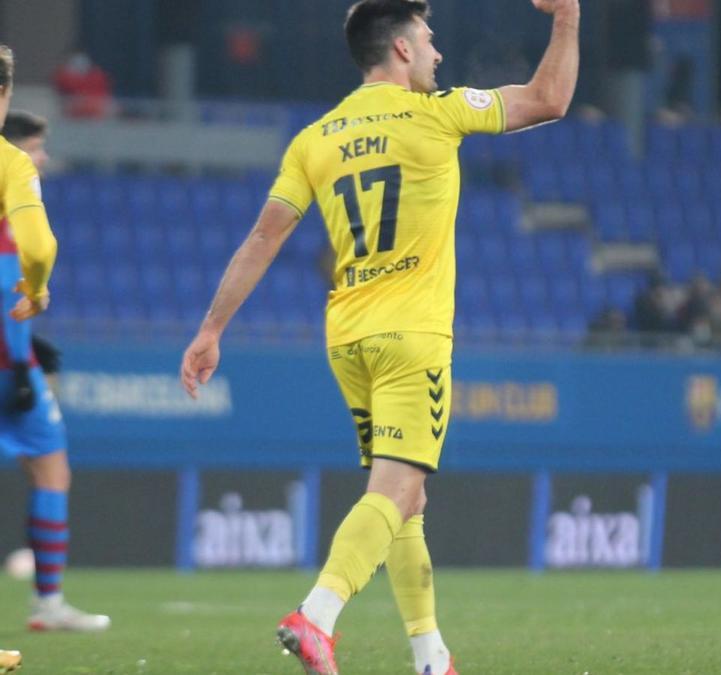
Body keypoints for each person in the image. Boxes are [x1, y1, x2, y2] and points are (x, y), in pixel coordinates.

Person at [178, 1, 579, 673]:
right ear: (399, 50)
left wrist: (212, 328)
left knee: (408, 500)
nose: (438, 54)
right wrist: (566, 17)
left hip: (348, 339)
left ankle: (431, 656)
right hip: (412, 336)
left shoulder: (316, 137)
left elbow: (263, 237)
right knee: (393, 492)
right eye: (428, 40)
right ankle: (317, 615)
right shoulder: (439, 111)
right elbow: (549, 99)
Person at [0, 53, 110, 635]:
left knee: (51, 465)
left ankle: (49, 604)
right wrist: (19, 354)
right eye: (36, 147)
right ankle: (47, 603)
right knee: (50, 470)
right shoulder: (11, 169)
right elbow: (28, 262)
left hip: (14, 351)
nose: (41, 157)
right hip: (5, 365)